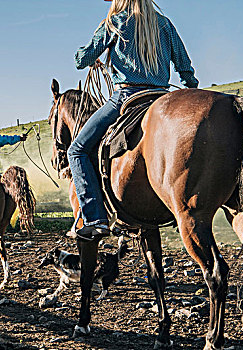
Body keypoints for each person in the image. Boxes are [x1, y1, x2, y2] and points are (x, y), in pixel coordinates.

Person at [68, 0, 198, 241]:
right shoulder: (164, 24)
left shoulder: (115, 22)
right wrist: (192, 88)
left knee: (76, 151)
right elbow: (184, 65)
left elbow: (81, 60)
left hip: (126, 97)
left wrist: (90, 54)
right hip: (161, 95)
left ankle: (95, 219)